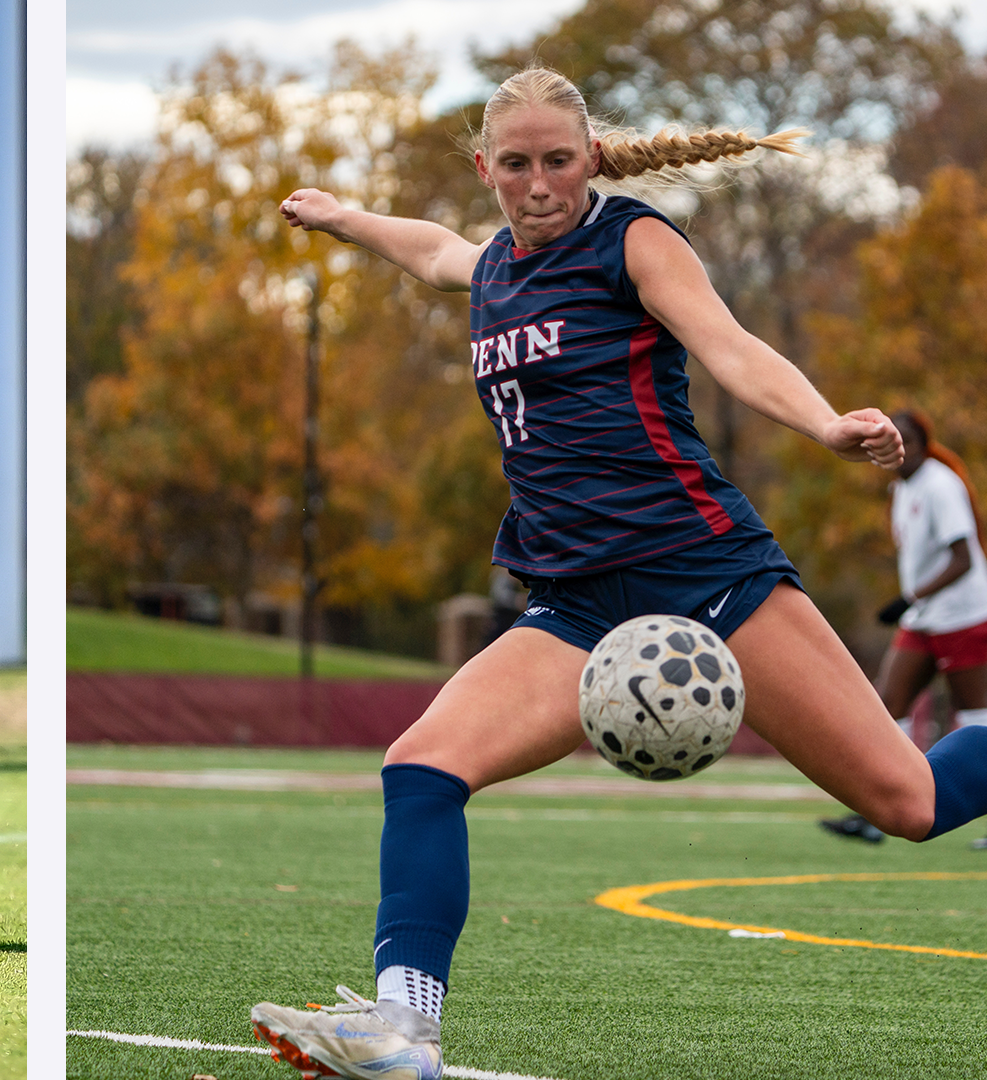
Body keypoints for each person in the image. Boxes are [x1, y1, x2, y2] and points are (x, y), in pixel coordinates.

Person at [253, 65, 987, 1080]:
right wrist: (343, 218)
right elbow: (431, 251)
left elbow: (731, 348)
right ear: (486, 169)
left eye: (559, 160)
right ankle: (404, 1031)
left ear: (592, 158)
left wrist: (826, 423)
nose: (539, 183)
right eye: (517, 164)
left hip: (707, 577)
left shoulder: (632, 241)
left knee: (908, 804)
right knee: (421, 767)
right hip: (575, 606)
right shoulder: (492, 268)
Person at [821, 408, 987, 845]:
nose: (900, 449)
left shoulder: (940, 484)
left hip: (964, 615)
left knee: (976, 716)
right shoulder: (901, 487)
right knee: (885, 705)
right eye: (890, 440)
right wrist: (914, 603)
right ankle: (876, 811)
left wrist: (910, 597)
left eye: (908, 440)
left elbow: (964, 559)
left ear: (924, 445)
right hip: (925, 618)